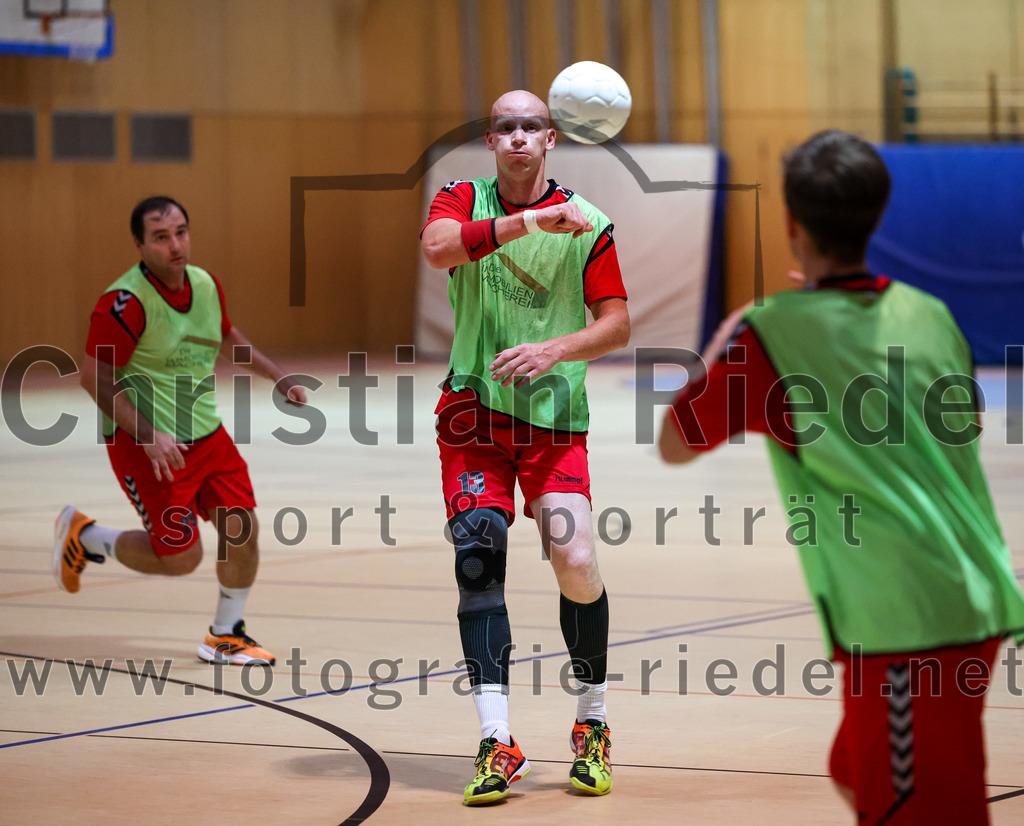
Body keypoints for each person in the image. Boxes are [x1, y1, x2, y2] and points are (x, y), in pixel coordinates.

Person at [658, 129, 1024, 824]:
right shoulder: (930, 314)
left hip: (908, 624)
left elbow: (676, 441)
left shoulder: (771, 332)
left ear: (792, 224)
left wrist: (733, 328)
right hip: (963, 594)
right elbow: (966, 425)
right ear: (878, 216)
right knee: (854, 771)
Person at [420, 90, 630, 805]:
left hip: (552, 419)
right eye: (505, 127)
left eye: (530, 127)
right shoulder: (460, 196)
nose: (517, 138)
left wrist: (558, 348)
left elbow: (618, 322)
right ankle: (496, 739)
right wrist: (534, 220)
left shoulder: (592, 224)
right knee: (478, 556)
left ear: (551, 140)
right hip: (472, 415)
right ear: (491, 139)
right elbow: (438, 248)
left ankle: (592, 722)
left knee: (574, 559)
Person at [54, 196, 308, 667]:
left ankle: (225, 634)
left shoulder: (205, 284)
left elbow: (226, 336)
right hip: (146, 444)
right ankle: (86, 536)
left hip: (206, 434)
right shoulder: (123, 304)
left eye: (181, 232)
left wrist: (277, 377)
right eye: (161, 236)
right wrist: (149, 434)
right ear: (139, 244)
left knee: (242, 529)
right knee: (180, 558)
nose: (175, 245)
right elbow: (95, 377)